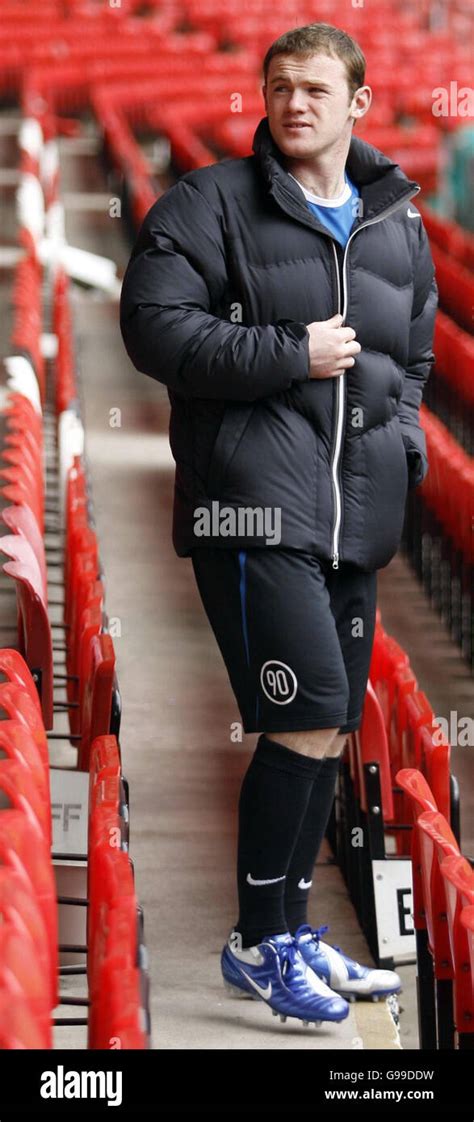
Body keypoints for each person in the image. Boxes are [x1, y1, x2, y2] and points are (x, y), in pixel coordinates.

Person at [120, 22, 438, 1028]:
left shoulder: (394, 218)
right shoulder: (210, 204)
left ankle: (290, 927)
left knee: (332, 720)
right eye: (278, 87)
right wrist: (287, 352)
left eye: (313, 88)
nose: (293, 103)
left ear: (358, 102)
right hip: (251, 510)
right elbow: (154, 329)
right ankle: (255, 945)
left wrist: (406, 450)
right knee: (302, 717)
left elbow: (412, 351)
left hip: (354, 513)